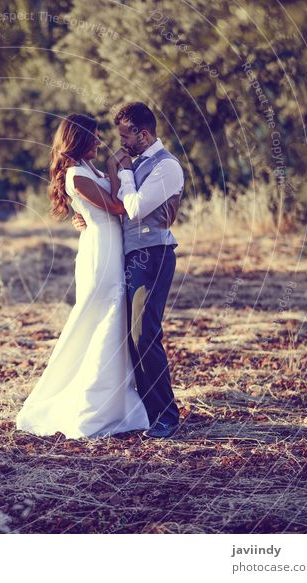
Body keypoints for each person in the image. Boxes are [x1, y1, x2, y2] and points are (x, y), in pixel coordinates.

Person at [15, 113, 150, 439]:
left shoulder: (90, 169)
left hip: (110, 246)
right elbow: (118, 207)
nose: (99, 141)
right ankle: (89, 408)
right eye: (93, 135)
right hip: (99, 254)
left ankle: (117, 404)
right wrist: (119, 170)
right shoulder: (76, 175)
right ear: (78, 138)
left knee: (113, 321)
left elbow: (102, 206)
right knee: (100, 318)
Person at [73, 102, 184, 438]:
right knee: (131, 336)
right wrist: (87, 218)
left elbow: (134, 209)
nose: (120, 142)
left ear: (143, 133)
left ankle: (166, 416)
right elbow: (113, 205)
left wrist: (122, 172)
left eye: (125, 135)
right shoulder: (135, 164)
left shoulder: (168, 168)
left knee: (144, 334)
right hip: (130, 256)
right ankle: (147, 412)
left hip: (154, 254)